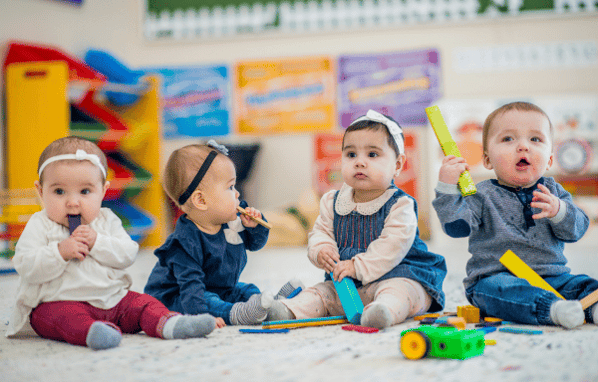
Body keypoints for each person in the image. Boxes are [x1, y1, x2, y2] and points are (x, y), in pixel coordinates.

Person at [6, 136, 215, 350]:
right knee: (52, 318)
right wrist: (59, 252)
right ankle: (94, 332)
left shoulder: (107, 220)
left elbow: (127, 254)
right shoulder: (40, 224)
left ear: (103, 191)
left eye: (85, 191)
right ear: (41, 191)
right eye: (59, 191)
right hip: (60, 302)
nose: (73, 202)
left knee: (143, 303)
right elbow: (25, 265)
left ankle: (170, 324)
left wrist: (98, 242)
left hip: (113, 300)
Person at [267, 110, 447, 329]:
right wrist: (322, 250)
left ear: (398, 165)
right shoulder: (332, 201)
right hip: (347, 284)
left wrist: (357, 266)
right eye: (351, 155)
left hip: (399, 274)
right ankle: (290, 310)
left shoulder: (400, 205)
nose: (360, 162)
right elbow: (320, 232)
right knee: (321, 293)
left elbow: (393, 245)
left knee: (403, 292)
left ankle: (383, 312)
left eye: (372, 155)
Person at [432, 101, 597, 329]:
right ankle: (552, 310)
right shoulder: (481, 194)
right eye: (508, 139)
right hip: (496, 279)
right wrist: (448, 188)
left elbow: (577, 230)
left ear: (549, 160)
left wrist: (559, 211)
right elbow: (456, 227)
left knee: (585, 285)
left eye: (535, 139)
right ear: (487, 159)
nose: (523, 147)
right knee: (496, 291)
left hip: (551, 278)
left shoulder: (555, 192)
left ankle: (592, 307)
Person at [144, 141, 302, 326]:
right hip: (178, 298)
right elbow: (191, 288)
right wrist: (202, 318)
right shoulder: (184, 244)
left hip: (220, 288)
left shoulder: (231, 220)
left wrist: (255, 227)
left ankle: (273, 305)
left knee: (246, 290)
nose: (237, 194)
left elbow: (255, 244)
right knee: (208, 300)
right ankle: (238, 314)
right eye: (230, 188)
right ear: (201, 200)